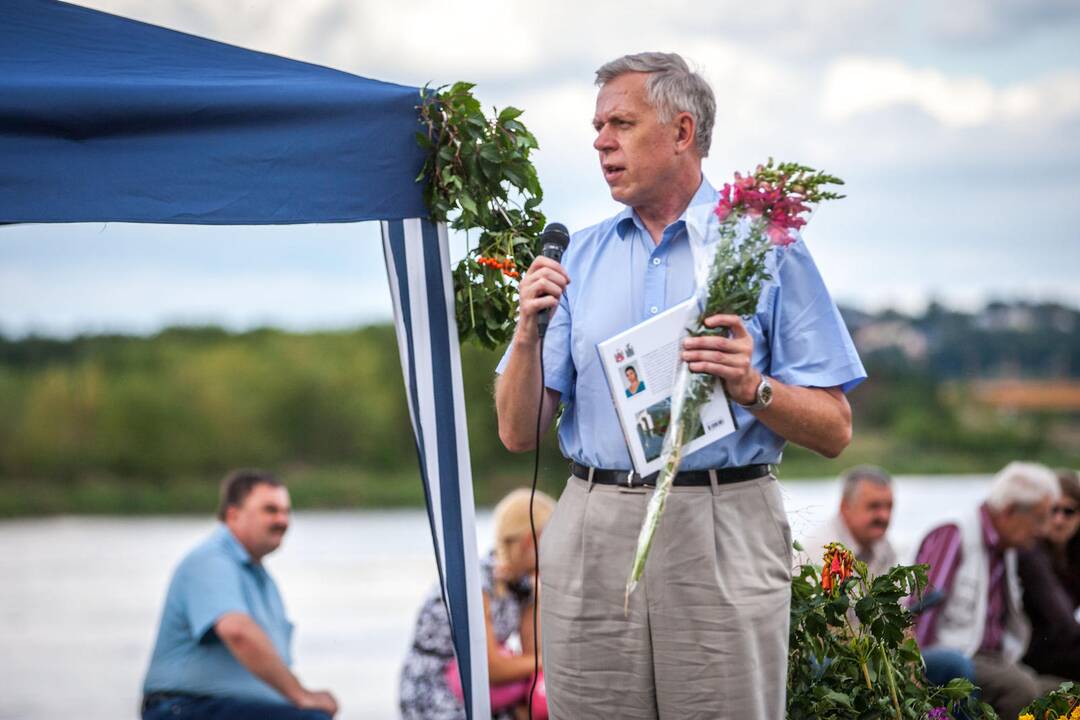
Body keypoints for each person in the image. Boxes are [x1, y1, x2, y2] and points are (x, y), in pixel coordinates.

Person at [494, 52, 865, 719]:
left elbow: (836, 429)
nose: (601, 140)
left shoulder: (764, 245)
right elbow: (518, 432)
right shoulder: (577, 255)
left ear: (682, 133)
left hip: (721, 517)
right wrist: (525, 336)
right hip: (593, 520)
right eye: (598, 125)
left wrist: (753, 386)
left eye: (621, 123)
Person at [141, 470, 338, 720]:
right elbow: (238, 632)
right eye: (270, 510)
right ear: (233, 515)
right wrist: (300, 695)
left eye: (286, 511)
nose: (282, 520)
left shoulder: (258, 577)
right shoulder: (211, 560)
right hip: (187, 708)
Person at [912, 461, 1065, 720]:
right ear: (1010, 511)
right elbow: (923, 605)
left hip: (994, 658)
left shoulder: (1007, 546)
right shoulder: (954, 531)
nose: (1043, 530)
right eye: (1039, 519)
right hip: (954, 655)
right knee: (1019, 689)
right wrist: (915, 671)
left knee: (1060, 694)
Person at [399, 488, 555, 720]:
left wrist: (543, 594)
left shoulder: (521, 584)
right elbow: (490, 669)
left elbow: (533, 653)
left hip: (480, 687)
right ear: (528, 541)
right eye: (551, 541)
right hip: (436, 687)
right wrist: (549, 662)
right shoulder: (474, 582)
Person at [1018, 468, 1080, 680]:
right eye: (1053, 510)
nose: (1059, 520)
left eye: (1069, 511)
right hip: (1029, 648)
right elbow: (1061, 619)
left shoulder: (1075, 552)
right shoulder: (1029, 549)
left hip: (1064, 643)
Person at [802, 465, 897, 577]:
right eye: (874, 506)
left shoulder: (884, 547)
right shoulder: (821, 553)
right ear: (845, 507)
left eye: (889, 506)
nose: (884, 516)